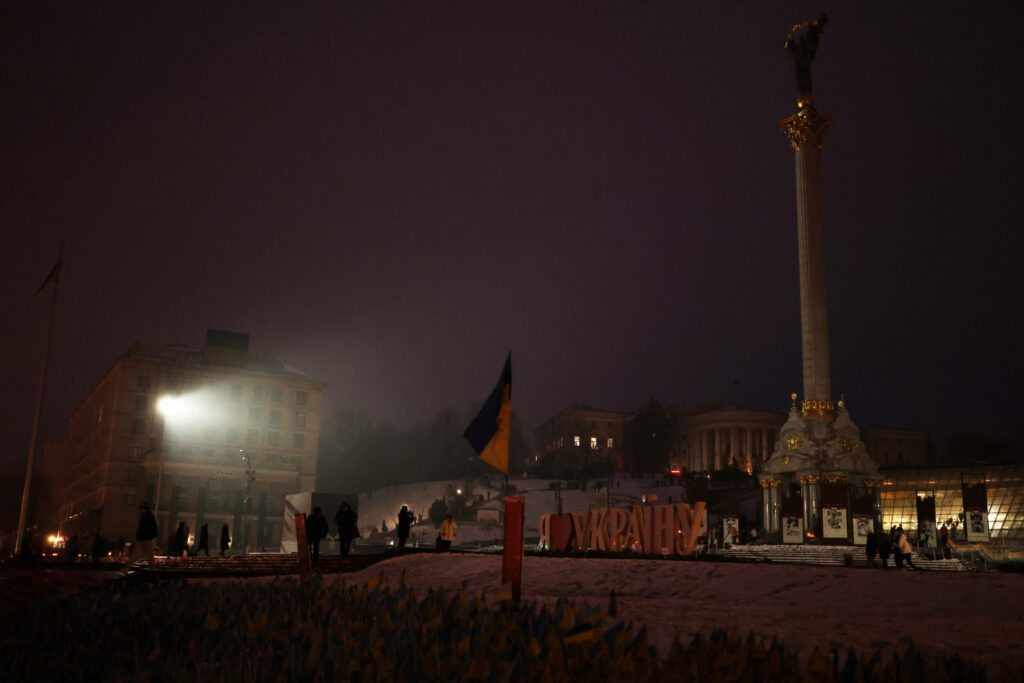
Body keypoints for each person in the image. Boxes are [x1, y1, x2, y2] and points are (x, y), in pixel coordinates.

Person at [123, 503, 158, 573]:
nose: (141, 510)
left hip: (144, 538)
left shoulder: (146, 517)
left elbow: (146, 528)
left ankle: (128, 567)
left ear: (144, 509)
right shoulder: (148, 516)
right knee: (148, 554)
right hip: (145, 538)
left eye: (141, 509)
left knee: (136, 553)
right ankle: (152, 569)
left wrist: (141, 535)